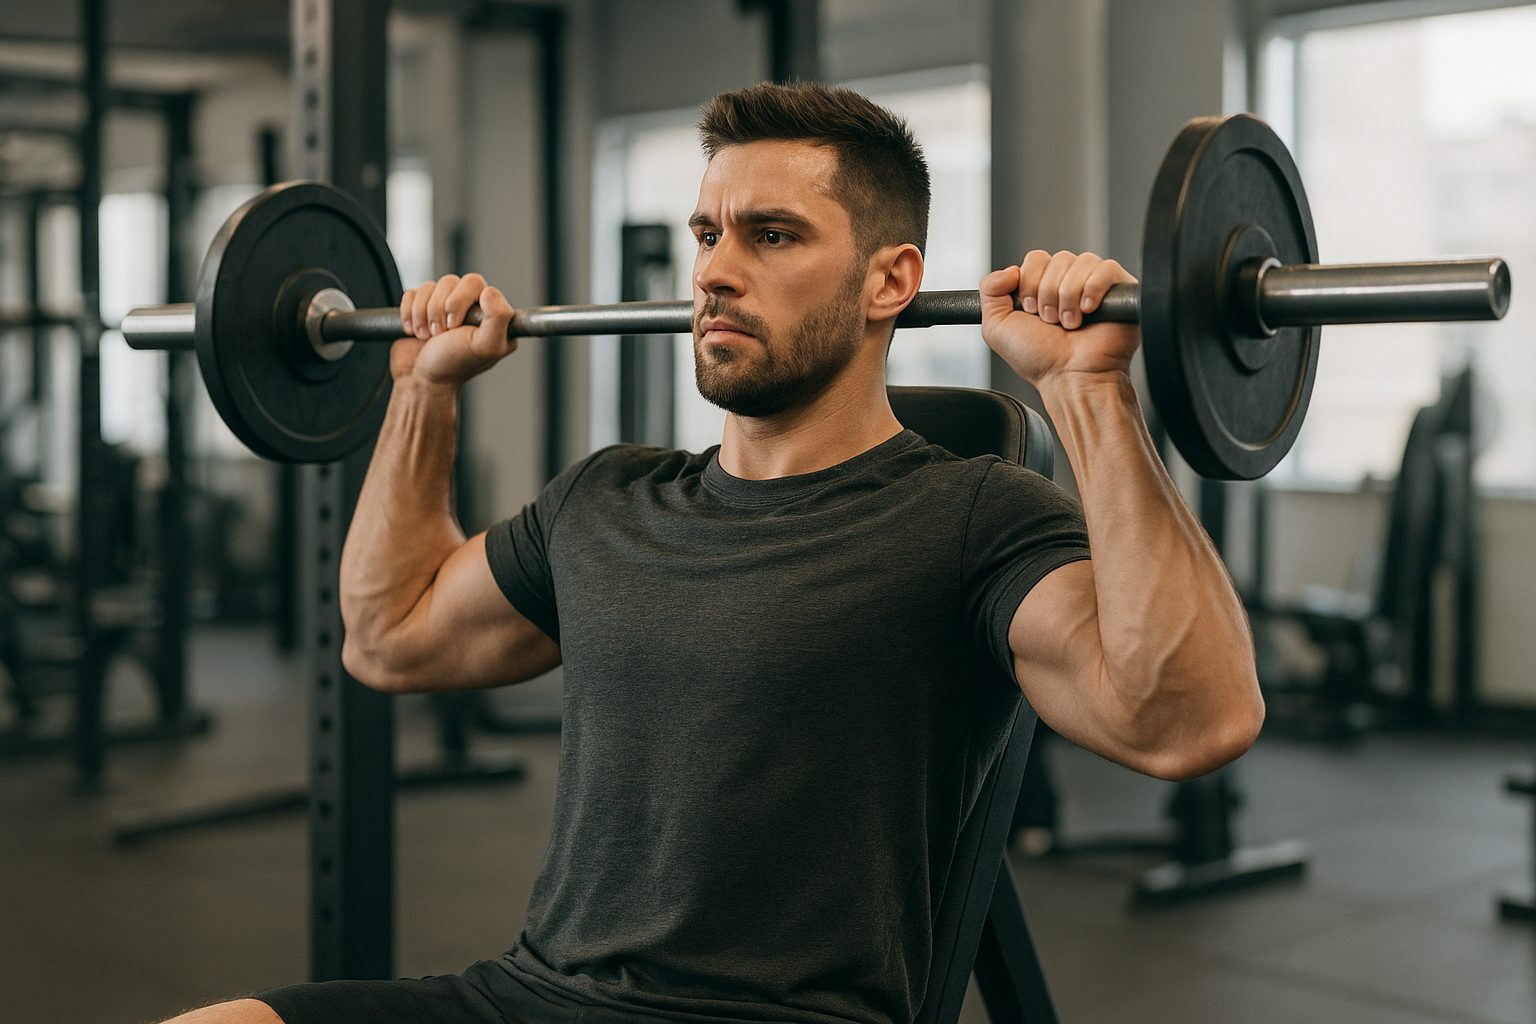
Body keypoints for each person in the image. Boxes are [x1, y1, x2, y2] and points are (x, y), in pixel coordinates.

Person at [165, 81, 1261, 1024]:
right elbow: (388, 635)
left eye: (771, 236)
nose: (715, 272)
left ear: (889, 280)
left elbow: (1191, 716)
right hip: (526, 997)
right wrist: (420, 388)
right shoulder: (605, 498)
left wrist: (1086, 391)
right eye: (706, 234)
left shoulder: (968, 514)